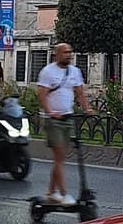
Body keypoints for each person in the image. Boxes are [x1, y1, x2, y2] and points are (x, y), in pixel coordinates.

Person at [37, 43, 94, 205]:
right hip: (53, 120)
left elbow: (80, 92)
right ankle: (63, 193)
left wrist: (87, 108)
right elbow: (41, 95)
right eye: (65, 52)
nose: (68, 55)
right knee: (59, 156)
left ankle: (51, 192)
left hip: (68, 118)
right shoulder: (48, 72)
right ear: (56, 54)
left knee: (60, 158)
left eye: (70, 52)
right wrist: (50, 112)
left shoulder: (75, 71)